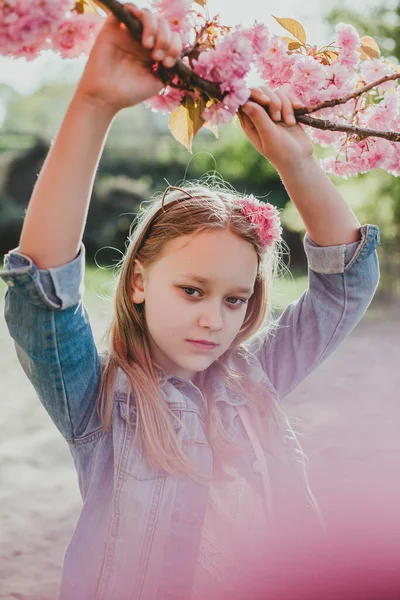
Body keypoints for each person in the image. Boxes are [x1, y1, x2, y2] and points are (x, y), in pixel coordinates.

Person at [0, 4, 380, 600]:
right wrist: (94, 104)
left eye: (237, 299)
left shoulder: (258, 380)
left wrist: (298, 163)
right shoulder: (98, 405)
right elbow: (42, 290)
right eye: (192, 290)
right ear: (139, 282)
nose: (214, 320)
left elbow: (345, 287)